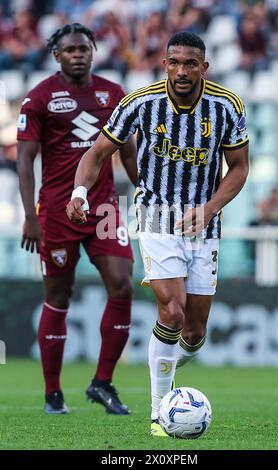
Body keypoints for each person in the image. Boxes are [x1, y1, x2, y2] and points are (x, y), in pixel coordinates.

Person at [66, 31, 249, 436]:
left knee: (195, 331)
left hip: (205, 221)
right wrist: (79, 192)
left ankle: (162, 364)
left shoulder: (226, 105)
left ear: (204, 67)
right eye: (174, 62)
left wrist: (210, 208)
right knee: (172, 311)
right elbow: (96, 154)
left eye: (190, 63)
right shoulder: (139, 102)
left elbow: (238, 167)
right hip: (154, 216)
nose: (181, 71)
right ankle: (159, 414)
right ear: (164, 63)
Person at [17, 23, 137, 415]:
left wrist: (145, 189)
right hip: (55, 211)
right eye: (69, 49)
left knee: (121, 286)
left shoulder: (113, 93)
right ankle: (53, 392)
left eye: (84, 48)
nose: (78, 54)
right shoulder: (40, 99)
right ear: (56, 55)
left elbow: (129, 154)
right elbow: (24, 160)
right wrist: (29, 216)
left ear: (93, 50)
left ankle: (103, 383)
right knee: (59, 296)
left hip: (102, 208)